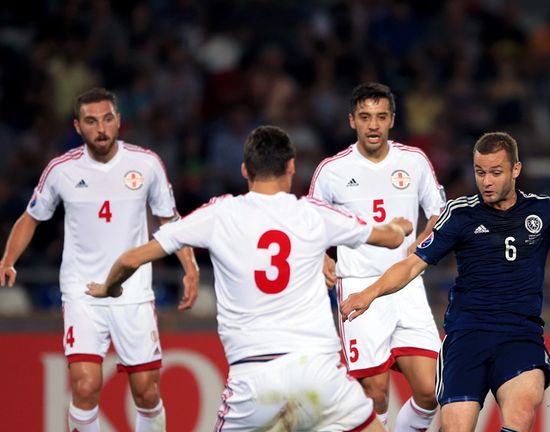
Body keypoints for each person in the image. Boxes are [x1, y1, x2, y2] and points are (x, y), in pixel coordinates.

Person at [86, 125, 411, 431]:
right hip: (319, 371)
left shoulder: (220, 214)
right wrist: (400, 227)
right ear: (291, 167)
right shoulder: (313, 213)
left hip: (254, 379)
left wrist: (108, 287)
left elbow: (131, 258)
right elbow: (390, 237)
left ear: (245, 170)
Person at [341, 131, 550, 432]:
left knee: (524, 405)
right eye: (480, 172)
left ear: (516, 169)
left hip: (520, 335)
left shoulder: (541, 211)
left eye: (496, 172)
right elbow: (411, 265)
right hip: (467, 336)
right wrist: (369, 293)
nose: (486, 181)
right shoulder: (460, 214)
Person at [0, 87, 200, 432]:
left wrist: (190, 267)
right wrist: (8, 259)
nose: (102, 128)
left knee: (147, 392)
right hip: (82, 291)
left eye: (108, 119)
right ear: (78, 127)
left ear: (119, 120)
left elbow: (169, 220)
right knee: (85, 385)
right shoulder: (61, 170)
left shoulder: (146, 163)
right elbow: (31, 216)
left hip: (133, 291)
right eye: (91, 121)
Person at [309, 82, 446, 430]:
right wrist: (322, 256)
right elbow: (310, 222)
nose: (373, 125)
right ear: (351, 120)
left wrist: (425, 239)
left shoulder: (413, 161)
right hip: (358, 285)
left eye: (381, 117)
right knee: (375, 391)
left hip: (406, 286)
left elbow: (439, 211)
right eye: (365, 117)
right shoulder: (332, 170)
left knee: (431, 391)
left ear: (392, 120)